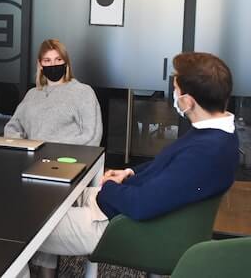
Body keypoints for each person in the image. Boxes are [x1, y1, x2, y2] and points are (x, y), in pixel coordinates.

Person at [30, 52, 240, 277]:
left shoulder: (206, 152)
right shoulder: (217, 132)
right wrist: (128, 173)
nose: (174, 95)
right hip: (119, 204)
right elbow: (166, 165)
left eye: (176, 90)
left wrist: (110, 187)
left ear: (188, 102)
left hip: (116, 224)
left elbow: (142, 205)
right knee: (47, 197)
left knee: (20, 227)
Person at [4, 39, 102, 146]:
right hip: (33, 158)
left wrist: (53, 149)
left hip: (67, 160)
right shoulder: (32, 94)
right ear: (40, 65)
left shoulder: (83, 92)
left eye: (58, 59)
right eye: (47, 60)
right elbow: (12, 127)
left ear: (66, 62)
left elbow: (92, 137)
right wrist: (25, 146)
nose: (53, 64)